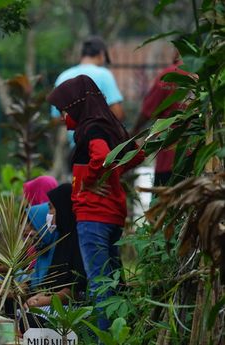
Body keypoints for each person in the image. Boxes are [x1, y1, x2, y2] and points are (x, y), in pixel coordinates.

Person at [47, 75, 145, 330]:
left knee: (100, 283)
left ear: (77, 106)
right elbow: (136, 153)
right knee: (112, 280)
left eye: (63, 110)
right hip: (112, 214)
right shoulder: (108, 126)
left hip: (94, 216)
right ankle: (120, 332)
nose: (61, 117)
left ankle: (105, 336)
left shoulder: (91, 129)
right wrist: (111, 174)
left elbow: (101, 158)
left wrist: (89, 180)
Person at [51, 36, 125, 150]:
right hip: (102, 145)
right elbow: (117, 113)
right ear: (101, 54)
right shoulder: (104, 75)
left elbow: (56, 118)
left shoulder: (63, 76)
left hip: (76, 148)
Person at [26, 184, 87, 311]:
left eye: (52, 208)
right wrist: (40, 297)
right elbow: (52, 285)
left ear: (64, 208)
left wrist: (45, 300)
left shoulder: (80, 241)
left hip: (77, 309)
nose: (49, 214)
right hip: (56, 303)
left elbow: (77, 288)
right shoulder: (62, 239)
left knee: (31, 318)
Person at [132, 49, 187, 186]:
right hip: (201, 158)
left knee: (164, 204)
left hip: (170, 158)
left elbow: (147, 111)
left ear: (176, 51)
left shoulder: (170, 75)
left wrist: (132, 134)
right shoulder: (206, 75)